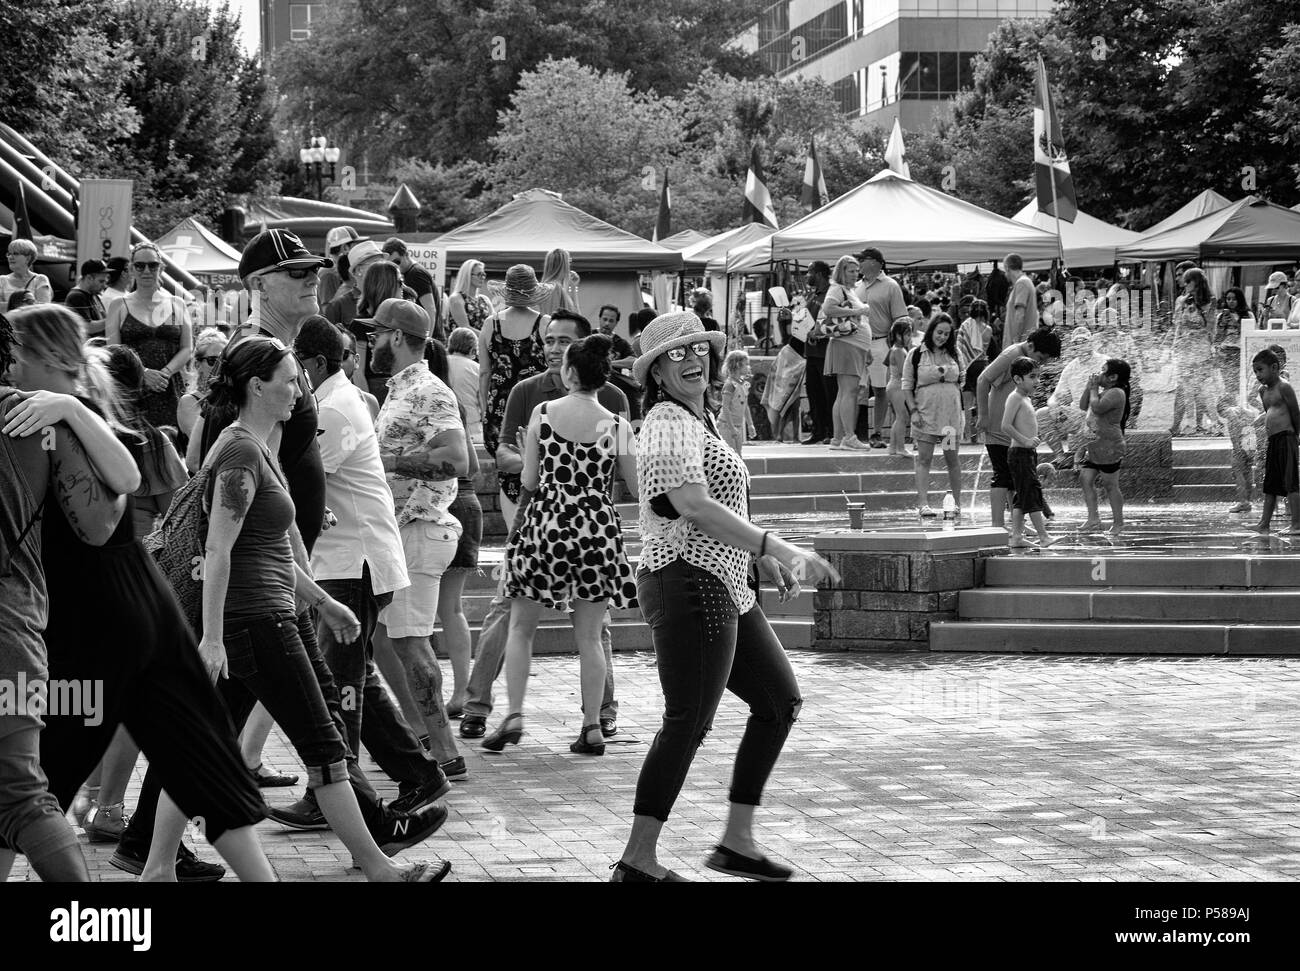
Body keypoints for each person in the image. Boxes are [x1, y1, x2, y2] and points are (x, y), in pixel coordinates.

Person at [0, 307, 277, 883]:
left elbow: (117, 496)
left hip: (94, 620)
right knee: (204, 763)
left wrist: (70, 409)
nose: (10, 364)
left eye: (18, 354)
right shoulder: (66, 413)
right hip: (142, 610)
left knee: (24, 790)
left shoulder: (58, 416)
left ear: (48, 358)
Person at [177, 336, 452, 882]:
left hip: (267, 614)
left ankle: (155, 865)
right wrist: (211, 637)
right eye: (289, 379)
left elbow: (274, 547)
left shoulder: (259, 446)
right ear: (258, 386)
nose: (299, 389)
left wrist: (322, 601)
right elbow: (217, 549)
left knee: (209, 748)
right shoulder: (239, 450)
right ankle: (380, 868)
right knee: (325, 745)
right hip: (256, 622)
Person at [611, 311, 840, 883]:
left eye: (699, 349)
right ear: (656, 373)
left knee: (778, 702)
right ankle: (637, 861)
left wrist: (756, 554)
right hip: (687, 582)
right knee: (687, 720)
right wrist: (778, 546)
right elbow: (689, 504)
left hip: (723, 583)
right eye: (676, 354)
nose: (692, 360)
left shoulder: (699, 416)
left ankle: (737, 841)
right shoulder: (666, 421)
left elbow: (715, 506)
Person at [0, 307, 148, 881]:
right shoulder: (31, 417)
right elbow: (115, 499)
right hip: (21, 631)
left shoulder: (38, 414)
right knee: (18, 791)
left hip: (17, 635)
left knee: (21, 795)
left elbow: (126, 483)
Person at [293, 316, 458, 798]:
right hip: (351, 557)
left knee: (341, 681)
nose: (371, 342)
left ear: (315, 362)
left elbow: (300, 481)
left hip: (359, 558)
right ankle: (421, 775)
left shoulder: (337, 408)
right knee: (354, 677)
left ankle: (337, 793)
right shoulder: (339, 400)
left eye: (296, 365)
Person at [461, 310, 628, 740]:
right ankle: (592, 725)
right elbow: (632, 482)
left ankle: (514, 715)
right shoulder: (617, 422)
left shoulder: (544, 412)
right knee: (591, 637)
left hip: (547, 523)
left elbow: (530, 480)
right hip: (597, 527)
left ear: (570, 372)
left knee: (521, 626)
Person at [363, 299, 466, 771]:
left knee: (409, 642)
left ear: (398, 337)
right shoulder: (401, 391)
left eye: (376, 333)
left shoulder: (428, 391)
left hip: (420, 528)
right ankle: (423, 737)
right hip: (405, 529)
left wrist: (387, 463)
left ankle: (444, 751)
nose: (369, 341)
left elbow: (459, 461)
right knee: (384, 639)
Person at [479, 264, 549, 526]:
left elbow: (484, 374)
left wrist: (486, 410)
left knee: (506, 473)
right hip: (536, 409)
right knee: (541, 468)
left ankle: (513, 533)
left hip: (499, 409)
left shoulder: (491, 324)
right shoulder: (544, 324)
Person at [976, 329, 1063, 529]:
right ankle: (997, 525)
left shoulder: (1023, 358)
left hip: (1013, 431)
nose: (1040, 364)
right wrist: (983, 416)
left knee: (1015, 478)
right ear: (1031, 346)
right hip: (998, 427)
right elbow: (982, 379)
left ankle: (1017, 527)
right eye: (1040, 358)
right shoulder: (1012, 354)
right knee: (1003, 475)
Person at [103, 345, 187, 540]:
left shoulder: (153, 444)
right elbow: (179, 523)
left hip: (133, 557)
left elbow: (178, 523)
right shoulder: (78, 430)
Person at [106, 242, 192, 429]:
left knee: (175, 449)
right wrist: (143, 373)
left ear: (161, 268)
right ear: (131, 268)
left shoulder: (178, 303)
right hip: (133, 391)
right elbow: (114, 352)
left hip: (170, 388)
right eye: (140, 265)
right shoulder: (118, 305)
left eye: (152, 265)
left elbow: (187, 348)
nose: (146, 270)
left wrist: (165, 373)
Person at [903, 314, 964, 518]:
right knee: (924, 458)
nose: (942, 337)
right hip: (926, 417)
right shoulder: (916, 354)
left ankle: (956, 503)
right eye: (939, 332)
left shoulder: (954, 353)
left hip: (948, 419)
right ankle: (923, 504)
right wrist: (913, 411)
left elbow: (962, 381)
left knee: (952, 459)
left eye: (947, 333)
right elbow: (907, 386)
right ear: (931, 331)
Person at [851, 247, 909, 448]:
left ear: (875, 262)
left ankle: (876, 433)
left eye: (862, 259)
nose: (858, 263)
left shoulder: (891, 286)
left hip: (881, 341)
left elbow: (901, 317)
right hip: (857, 342)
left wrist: (894, 345)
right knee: (855, 388)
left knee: (881, 389)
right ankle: (854, 434)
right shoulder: (855, 286)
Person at [820, 255, 875, 451]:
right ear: (841, 271)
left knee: (844, 393)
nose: (855, 274)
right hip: (847, 345)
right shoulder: (837, 288)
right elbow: (828, 308)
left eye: (855, 271)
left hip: (852, 346)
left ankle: (837, 438)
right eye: (851, 271)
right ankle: (849, 437)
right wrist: (858, 312)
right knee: (849, 392)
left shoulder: (847, 290)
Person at [1002, 358, 1056, 549]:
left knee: (1021, 498)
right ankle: (1043, 536)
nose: (1037, 381)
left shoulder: (1025, 398)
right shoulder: (1015, 398)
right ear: (1017, 379)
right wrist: (1025, 440)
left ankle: (1017, 537)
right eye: (1032, 377)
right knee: (1031, 495)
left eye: (1038, 376)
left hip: (1026, 454)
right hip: (1019, 453)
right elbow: (1005, 425)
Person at [1036, 328, 1106, 466]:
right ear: (1073, 346)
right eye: (1077, 343)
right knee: (1042, 414)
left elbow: (1111, 394)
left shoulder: (1105, 362)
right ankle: (1061, 458)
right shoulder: (1071, 368)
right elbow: (1055, 396)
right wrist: (1053, 405)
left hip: (1100, 415)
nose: (1080, 345)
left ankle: (1085, 453)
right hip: (1078, 416)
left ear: (1091, 342)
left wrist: (1092, 415)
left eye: (1084, 341)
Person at [1078, 359, 1131, 536]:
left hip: (1109, 446)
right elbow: (1083, 405)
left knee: (1110, 485)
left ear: (1113, 377)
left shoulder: (1117, 392)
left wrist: (1094, 390)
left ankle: (1119, 523)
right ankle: (1093, 518)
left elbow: (1098, 408)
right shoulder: (1105, 390)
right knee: (1085, 478)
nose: (1099, 374)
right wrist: (1089, 387)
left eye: (1103, 371)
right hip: (1095, 446)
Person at [1251, 348, 1300, 534]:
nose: (1257, 375)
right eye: (1255, 371)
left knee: (1290, 482)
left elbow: (1295, 412)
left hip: (1287, 438)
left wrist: (1296, 436)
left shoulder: (1284, 387)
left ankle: (1297, 525)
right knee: (1270, 485)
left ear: (1274, 367)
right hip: (1273, 441)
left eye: (1260, 370)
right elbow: (1269, 412)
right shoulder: (1263, 391)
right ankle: (1264, 524)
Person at [1169, 268, 1219, 436]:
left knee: (1204, 389)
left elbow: (1211, 329)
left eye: (1188, 281)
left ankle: (1214, 424)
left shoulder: (1211, 301)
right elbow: (1179, 326)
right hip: (1185, 352)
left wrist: (1195, 334)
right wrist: (1175, 343)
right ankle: (1185, 425)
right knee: (1184, 390)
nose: (1184, 284)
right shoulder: (1183, 300)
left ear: (1197, 282)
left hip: (1202, 351)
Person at [178, 328, 229, 454]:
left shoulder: (233, 397)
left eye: (223, 361)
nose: (219, 366)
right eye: (213, 361)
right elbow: (205, 445)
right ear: (197, 365)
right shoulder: (189, 401)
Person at [382, 238, 443, 341]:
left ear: (406, 254)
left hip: (429, 338)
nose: (395, 266)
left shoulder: (416, 273)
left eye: (397, 261)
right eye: (390, 264)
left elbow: (430, 309)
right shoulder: (407, 274)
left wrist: (427, 339)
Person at [801, 261, 833, 444]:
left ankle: (831, 431)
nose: (807, 276)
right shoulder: (813, 294)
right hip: (811, 352)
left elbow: (830, 320)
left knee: (827, 393)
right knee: (813, 393)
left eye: (809, 272)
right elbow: (806, 320)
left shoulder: (830, 294)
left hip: (825, 352)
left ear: (819, 274)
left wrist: (818, 334)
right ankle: (818, 431)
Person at [761, 310, 805, 443]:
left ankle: (788, 436)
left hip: (794, 365)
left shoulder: (796, 326)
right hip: (790, 364)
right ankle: (782, 435)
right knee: (787, 404)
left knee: (792, 405)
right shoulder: (797, 326)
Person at [957, 299, 992, 441]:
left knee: (967, 404)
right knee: (981, 403)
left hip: (967, 366)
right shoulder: (987, 329)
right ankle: (980, 436)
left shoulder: (965, 326)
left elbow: (960, 348)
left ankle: (968, 436)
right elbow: (985, 349)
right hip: (981, 366)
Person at [1219, 392, 1257, 514]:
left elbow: (1234, 431)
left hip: (1240, 443)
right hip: (1250, 441)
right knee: (1247, 471)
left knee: (1238, 471)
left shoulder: (1230, 411)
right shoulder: (1242, 409)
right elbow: (1252, 416)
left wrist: (1237, 448)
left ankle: (1243, 502)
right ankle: (1247, 501)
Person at [446, 326, 482, 440]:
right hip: (472, 428)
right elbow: (483, 403)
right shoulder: (477, 369)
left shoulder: (440, 364)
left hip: (444, 426)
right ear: (472, 350)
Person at [1215, 287, 1251, 399]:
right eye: (1228, 299)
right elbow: (1218, 337)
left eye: (1234, 299)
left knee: (1241, 384)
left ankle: (1242, 409)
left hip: (1240, 353)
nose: (1230, 302)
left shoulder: (1248, 315)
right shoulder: (1220, 316)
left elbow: (1250, 335)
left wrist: (1234, 321)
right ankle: (1233, 411)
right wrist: (1222, 324)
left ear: (1240, 300)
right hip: (1225, 353)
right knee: (1228, 385)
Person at [319, 226, 368, 306]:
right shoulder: (329, 272)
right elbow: (328, 309)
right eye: (355, 245)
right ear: (345, 247)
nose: (358, 249)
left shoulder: (338, 268)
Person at [719, 349, 755, 455]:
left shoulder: (743, 384)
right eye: (746, 364)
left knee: (738, 454)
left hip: (737, 426)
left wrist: (750, 424)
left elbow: (745, 406)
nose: (748, 367)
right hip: (726, 426)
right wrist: (731, 427)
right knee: (731, 455)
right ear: (738, 365)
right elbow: (725, 407)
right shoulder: (730, 385)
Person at [885, 320, 912, 457]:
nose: (909, 338)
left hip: (894, 386)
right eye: (907, 334)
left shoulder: (896, 349)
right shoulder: (899, 351)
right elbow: (903, 371)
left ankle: (893, 447)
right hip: (898, 386)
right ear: (898, 335)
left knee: (899, 417)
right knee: (902, 417)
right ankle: (900, 447)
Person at [63, 258, 111, 335]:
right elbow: (86, 327)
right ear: (89, 278)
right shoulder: (76, 297)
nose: (104, 285)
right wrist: (114, 318)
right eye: (101, 281)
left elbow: (103, 318)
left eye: (105, 281)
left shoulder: (94, 294)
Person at [1, 239, 52, 307]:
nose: (10, 257)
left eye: (15, 253)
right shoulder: (2, 280)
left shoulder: (40, 279)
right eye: (9, 254)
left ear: (28, 258)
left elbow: (44, 309)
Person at [1001, 254, 1037, 348]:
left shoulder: (1022, 283)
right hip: (1024, 343)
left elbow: (1019, 315)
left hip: (1020, 345)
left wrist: (1015, 342)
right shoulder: (1025, 282)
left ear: (1007, 268)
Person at [448, 260, 494, 330]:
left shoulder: (485, 299)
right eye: (479, 274)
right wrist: (487, 339)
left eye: (483, 274)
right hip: (464, 340)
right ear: (468, 275)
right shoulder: (456, 298)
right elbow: (465, 327)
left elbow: (494, 324)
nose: (483, 277)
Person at [538, 248, 580, 316]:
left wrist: (573, 287)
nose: (569, 265)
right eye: (569, 261)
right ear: (564, 264)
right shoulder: (555, 288)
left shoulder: (554, 287)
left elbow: (577, 318)